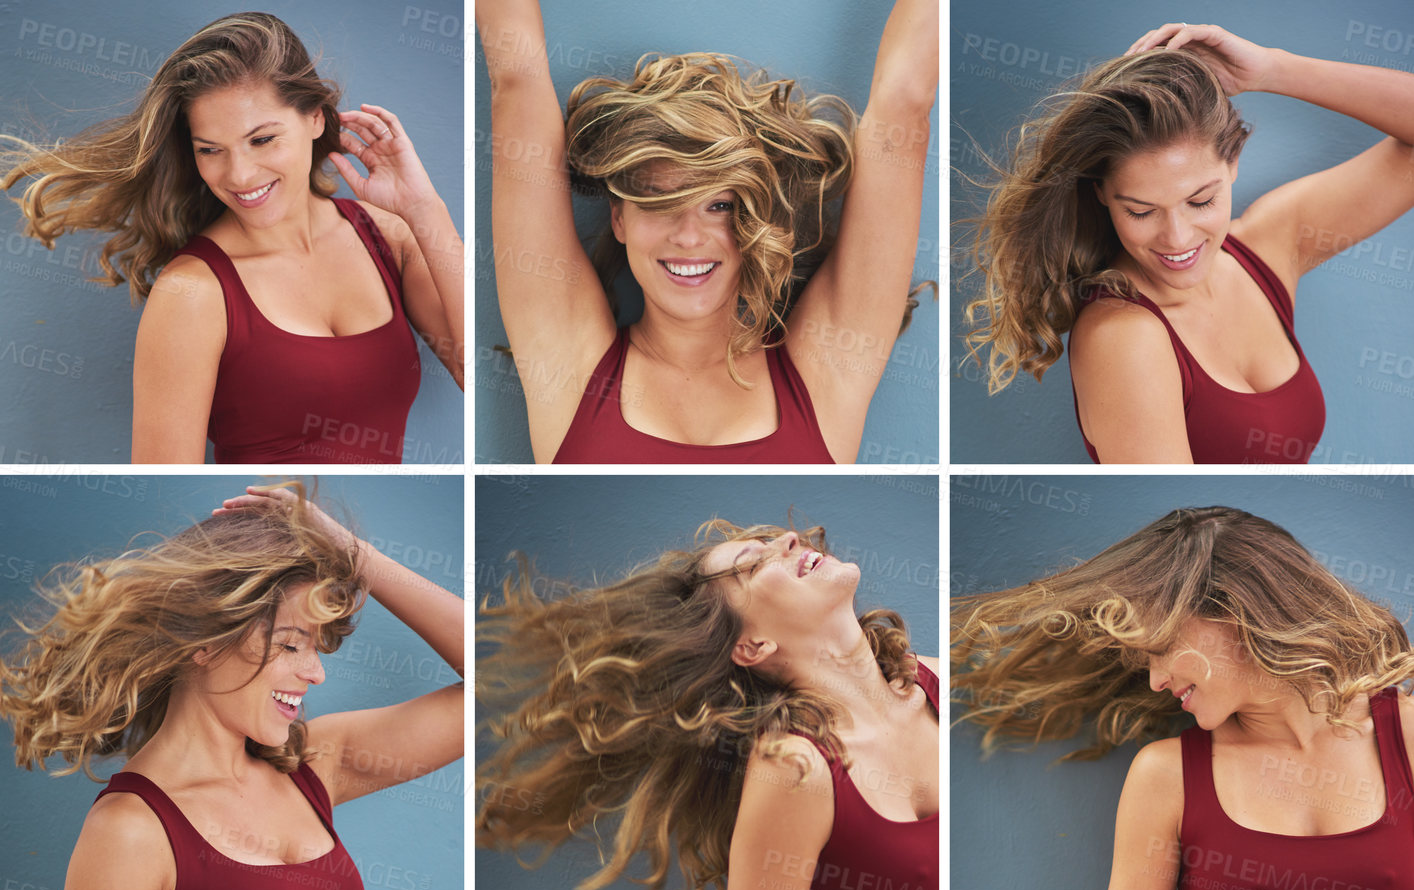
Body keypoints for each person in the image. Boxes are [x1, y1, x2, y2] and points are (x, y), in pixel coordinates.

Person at [476, 0, 937, 463]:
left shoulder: (827, 375)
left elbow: (905, 105)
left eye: (719, 206)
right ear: (619, 218)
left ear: (754, 221)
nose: (689, 236)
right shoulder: (569, 364)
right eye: (660, 203)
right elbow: (516, 83)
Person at [0, 482, 464, 890]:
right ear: (204, 644)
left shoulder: (315, 763)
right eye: (289, 645)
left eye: (317, 647)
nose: (316, 673)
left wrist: (352, 553)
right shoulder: (128, 832)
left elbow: (499, 683)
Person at [0, 11, 463, 463]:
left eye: (262, 140)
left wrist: (426, 211)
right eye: (210, 150)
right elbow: (166, 479)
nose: (239, 175)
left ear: (317, 120)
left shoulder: (389, 235)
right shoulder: (192, 293)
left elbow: (477, 376)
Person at [960, 22, 1414, 464]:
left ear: (1233, 161)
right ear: (1100, 193)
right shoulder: (1124, 336)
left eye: (1201, 201)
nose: (1176, 238)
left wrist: (1272, 70)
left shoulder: (1269, 246)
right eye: (1140, 211)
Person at [951, 506, 1414, 890]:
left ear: (1235, 614)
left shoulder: (1406, 735)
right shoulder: (1166, 776)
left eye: (1161, 650)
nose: (1154, 682)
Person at [477, 518, 939, 890]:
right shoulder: (796, 769)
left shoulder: (943, 682)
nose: (788, 538)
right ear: (754, 645)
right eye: (753, 565)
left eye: (768, 543)